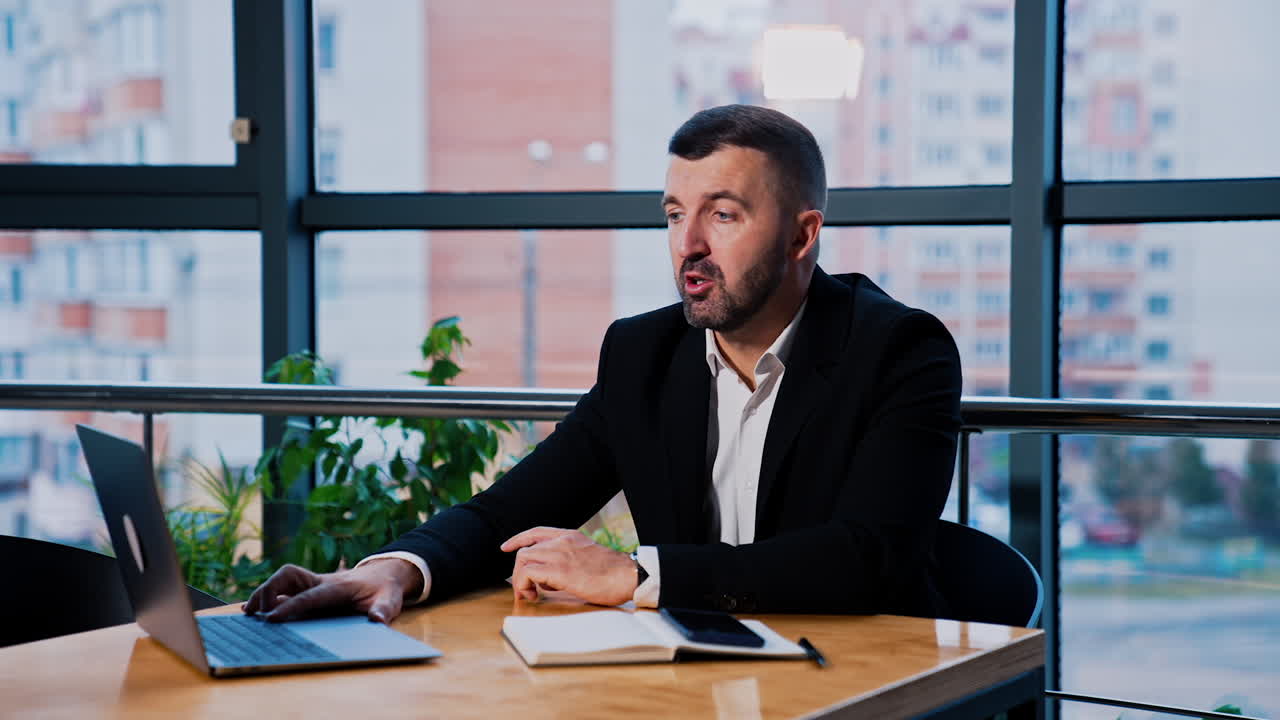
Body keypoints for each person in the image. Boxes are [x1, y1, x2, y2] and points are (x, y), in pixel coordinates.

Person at [244, 104, 962, 624]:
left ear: (803, 235)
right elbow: (513, 507)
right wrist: (396, 570)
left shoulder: (901, 352)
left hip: (864, 680)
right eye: (675, 214)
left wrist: (637, 576)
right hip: (692, 681)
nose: (689, 245)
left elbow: (868, 558)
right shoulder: (642, 355)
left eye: (724, 214)